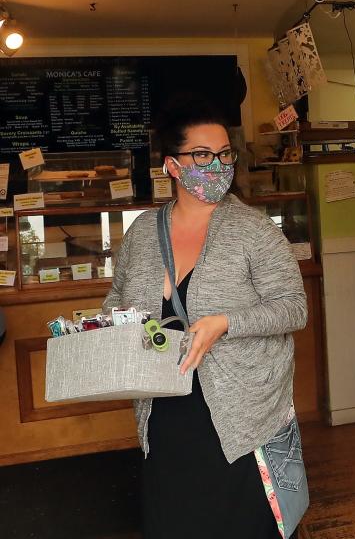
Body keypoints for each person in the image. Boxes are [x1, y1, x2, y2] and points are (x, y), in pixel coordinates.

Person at [103, 97, 307, 539]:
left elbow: (293, 306)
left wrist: (225, 323)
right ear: (172, 166)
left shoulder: (255, 230)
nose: (217, 164)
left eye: (224, 154)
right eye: (202, 155)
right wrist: (107, 325)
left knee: (239, 520)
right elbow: (117, 295)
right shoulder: (141, 232)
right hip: (162, 406)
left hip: (239, 412)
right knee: (174, 516)